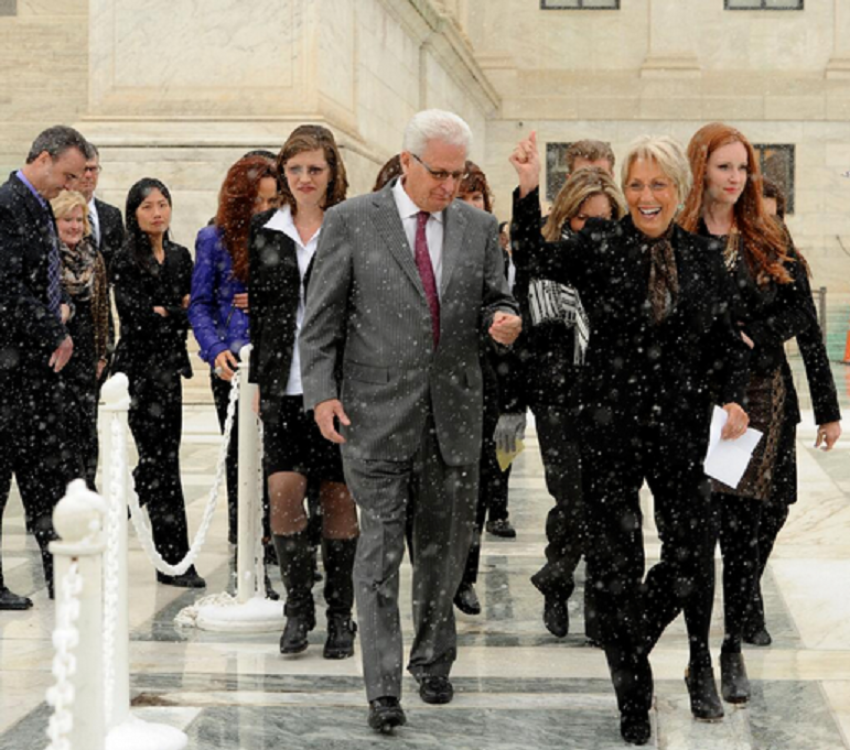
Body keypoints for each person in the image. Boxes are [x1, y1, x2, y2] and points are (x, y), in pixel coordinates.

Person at [510, 131, 750, 746]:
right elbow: (535, 266)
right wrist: (529, 190)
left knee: (692, 558)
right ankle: (633, 700)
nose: (646, 197)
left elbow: (724, 342)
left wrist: (734, 398)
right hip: (608, 430)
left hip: (679, 431)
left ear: (680, 190)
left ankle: (632, 635)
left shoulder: (702, 258)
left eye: (658, 185)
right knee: (617, 567)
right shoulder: (598, 244)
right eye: (636, 185)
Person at [300, 109, 521, 734]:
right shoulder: (351, 222)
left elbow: (494, 296)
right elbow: (319, 321)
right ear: (406, 163)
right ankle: (381, 688)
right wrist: (321, 394)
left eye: (460, 174)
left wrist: (501, 319)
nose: (449, 186)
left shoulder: (478, 228)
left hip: (452, 412)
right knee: (378, 553)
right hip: (371, 415)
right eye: (440, 173)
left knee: (443, 551)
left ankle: (432, 658)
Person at [678, 122, 828, 711]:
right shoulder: (680, 237)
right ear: (701, 170)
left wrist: (752, 336)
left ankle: (731, 648)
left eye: (743, 168)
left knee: (745, 533)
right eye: (724, 167)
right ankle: (697, 658)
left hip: (761, 403)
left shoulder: (764, 235)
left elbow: (800, 314)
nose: (735, 179)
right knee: (696, 537)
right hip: (699, 404)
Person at [249, 125, 359, 660]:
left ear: (332, 172)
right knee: (284, 493)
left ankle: (342, 614)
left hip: (337, 387)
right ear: (283, 174)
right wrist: (257, 382)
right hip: (282, 387)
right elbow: (264, 317)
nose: (304, 179)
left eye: (315, 169)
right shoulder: (264, 230)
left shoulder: (351, 227)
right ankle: (299, 606)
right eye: (295, 170)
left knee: (339, 497)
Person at [515, 167, 626, 641]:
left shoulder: (623, 258)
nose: (596, 231)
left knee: (606, 504)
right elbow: (525, 256)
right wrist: (525, 188)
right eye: (585, 220)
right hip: (558, 398)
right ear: (567, 216)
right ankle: (558, 581)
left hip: (611, 397)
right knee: (573, 500)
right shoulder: (551, 258)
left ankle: (589, 600)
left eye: (605, 220)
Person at [743, 179, 842, 646]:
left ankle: (745, 590)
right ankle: (747, 603)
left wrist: (828, 411)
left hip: (777, 395)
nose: (768, 226)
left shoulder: (788, 263)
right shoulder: (726, 257)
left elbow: (809, 334)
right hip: (728, 398)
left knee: (777, 505)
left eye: (775, 216)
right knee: (741, 508)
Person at [0, 125, 87, 609]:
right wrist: (53, 331)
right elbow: (8, 288)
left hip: (32, 370)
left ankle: (60, 576)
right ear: (44, 158)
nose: (70, 186)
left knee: (44, 474)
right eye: (68, 174)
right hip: (10, 369)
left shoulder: (32, 204)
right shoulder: (8, 203)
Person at [111, 178, 205, 588]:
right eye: (147, 206)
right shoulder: (124, 257)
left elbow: (187, 310)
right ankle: (173, 557)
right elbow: (135, 316)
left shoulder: (182, 256)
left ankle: (118, 513)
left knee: (164, 461)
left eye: (162, 204)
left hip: (170, 371)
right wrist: (170, 310)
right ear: (134, 213)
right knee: (159, 461)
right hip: (137, 373)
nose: (157, 212)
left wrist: (168, 311)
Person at [188, 154, 278, 549]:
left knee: (278, 450)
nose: (263, 211)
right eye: (256, 202)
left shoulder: (286, 235)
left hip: (277, 355)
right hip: (231, 361)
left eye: (271, 203)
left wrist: (264, 299)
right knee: (239, 451)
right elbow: (199, 303)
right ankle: (244, 530)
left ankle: (279, 530)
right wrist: (215, 350)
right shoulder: (214, 238)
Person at [452, 161, 525, 617]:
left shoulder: (489, 247)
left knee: (489, 468)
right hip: (445, 378)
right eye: (463, 196)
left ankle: (466, 574)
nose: (469, 204)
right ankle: (442, 573)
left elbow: (501, 299)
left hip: (495, 373)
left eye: (476, 197)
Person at [51, 189, 110, 490]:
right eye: (67, 219)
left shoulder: (93, 256)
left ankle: (86, 487)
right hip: (56, 352)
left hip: (87, 351)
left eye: (79, 219)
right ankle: (63, 494)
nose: (74, 226)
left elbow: (101, 309)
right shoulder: (47, 256)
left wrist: (103, 353)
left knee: (87, 426)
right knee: (61, 426)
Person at [76, 142, 125, 274]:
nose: (88, 175)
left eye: (92, 169)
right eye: (83, 169)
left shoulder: (112, 215)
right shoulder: (55, 211)